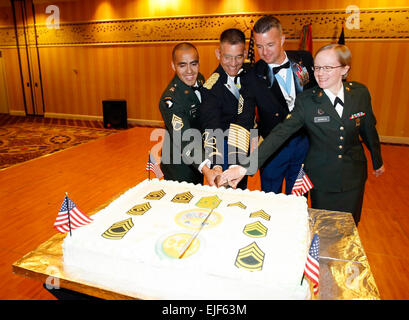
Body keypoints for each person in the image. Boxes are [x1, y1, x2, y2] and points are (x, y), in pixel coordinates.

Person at [219, 44, 385, 225]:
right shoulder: (307, 101)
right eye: (318, 67)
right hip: (322, 178)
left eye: (327, 68)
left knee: (350, 226)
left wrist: (378, 160)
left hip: (353, 176)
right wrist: (245, 167)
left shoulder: (360, 94)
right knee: (322, 227)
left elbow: (368, 128)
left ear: (345, 69)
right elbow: (280, 133)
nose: (320, 73)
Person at [239, 15, 316, 194]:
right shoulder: (252, 77)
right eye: (259, 46)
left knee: (298, 197)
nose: (264, 52)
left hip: (304, 144)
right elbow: (245, 119)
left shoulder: (304, 60)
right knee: (271, 200)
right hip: (273, 149)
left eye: (270, 45)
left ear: (282, 40)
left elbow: (316, 95)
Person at [200, 28, 255, 189]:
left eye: (238, 57)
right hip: (223, 146)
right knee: (223, 191)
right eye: (227, 57)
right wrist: (216, 164)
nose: (233, 63)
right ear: (218, 54)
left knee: (240, 189)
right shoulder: (210, 87)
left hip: (246, 142)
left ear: (245, 53)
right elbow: (212, 126)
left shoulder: (251, 75)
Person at [158, 42, 219, 186]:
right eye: (182, 65)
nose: (189, 71)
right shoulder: (170, 100)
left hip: (199, 157)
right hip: (179, 165)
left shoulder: (200, 79)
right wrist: (205, 167)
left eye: (193, 64)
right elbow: (184, 138)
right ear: (173, 66)